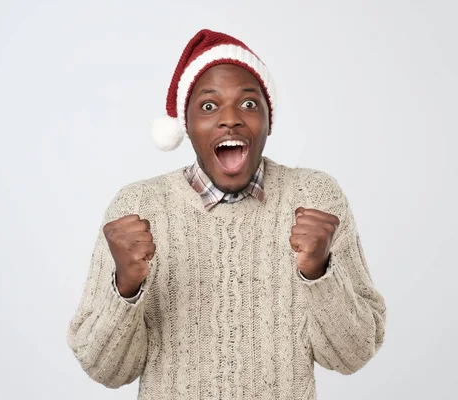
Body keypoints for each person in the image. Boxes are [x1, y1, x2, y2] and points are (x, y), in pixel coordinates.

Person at [66, 28, 386, 400]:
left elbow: (353, 355)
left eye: (249, 104)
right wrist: (126, 286)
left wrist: (318, 273)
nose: (230, 118)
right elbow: (107, 370)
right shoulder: (138, 207)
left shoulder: (315, 197)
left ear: (269, 120)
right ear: (185, 125)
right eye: (208, 106)